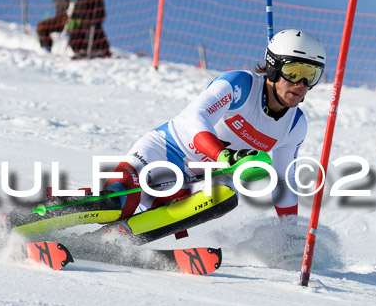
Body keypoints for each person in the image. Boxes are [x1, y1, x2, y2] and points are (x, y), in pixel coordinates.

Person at [97, 29, 326, 243]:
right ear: (273, 66)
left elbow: (284, 180)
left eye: (311, 75)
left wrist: (289, 234)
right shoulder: (240, 85)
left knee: (224, 196)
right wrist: (223, 156)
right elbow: (196, 117)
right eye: (294, 71)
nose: (301, 84)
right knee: (118, 202)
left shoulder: (295, 124)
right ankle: (63, 208)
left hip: (197, 182)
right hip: (165, 152)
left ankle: (119, 239)